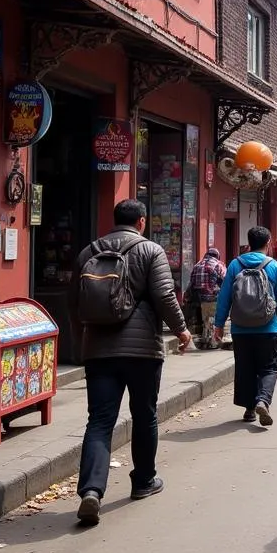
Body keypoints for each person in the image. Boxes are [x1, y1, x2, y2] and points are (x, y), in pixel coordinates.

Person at [71, 199, 191, 527]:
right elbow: (165, 296)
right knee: (144, 415)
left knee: (99, 421)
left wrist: (80, 343)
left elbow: (74, 303)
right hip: (142, 352)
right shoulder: (150, 250)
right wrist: (181, 330)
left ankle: (91, 491)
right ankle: (143, 482)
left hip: (98, 350)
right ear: (141, 221)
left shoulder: (87, 252)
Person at [213, 226, 277, 425]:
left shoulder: (234, 265)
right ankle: (263, 400)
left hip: (240, 329)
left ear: (249, 243)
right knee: (270, 368)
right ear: (268, 243)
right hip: (268, 328)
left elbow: (224, 297)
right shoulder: (273, 266)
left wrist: (219, 324)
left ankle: (249, 410)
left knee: (245, 368)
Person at [188, 247, 226, 349]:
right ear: (217, 256)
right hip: (214, 297)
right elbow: (225, 282)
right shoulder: (218, 265)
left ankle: (206, 339)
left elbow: (191, 283)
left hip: (200, 299)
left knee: (206, 319)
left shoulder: (197, 265)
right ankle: (213, 342)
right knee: (214, 318)